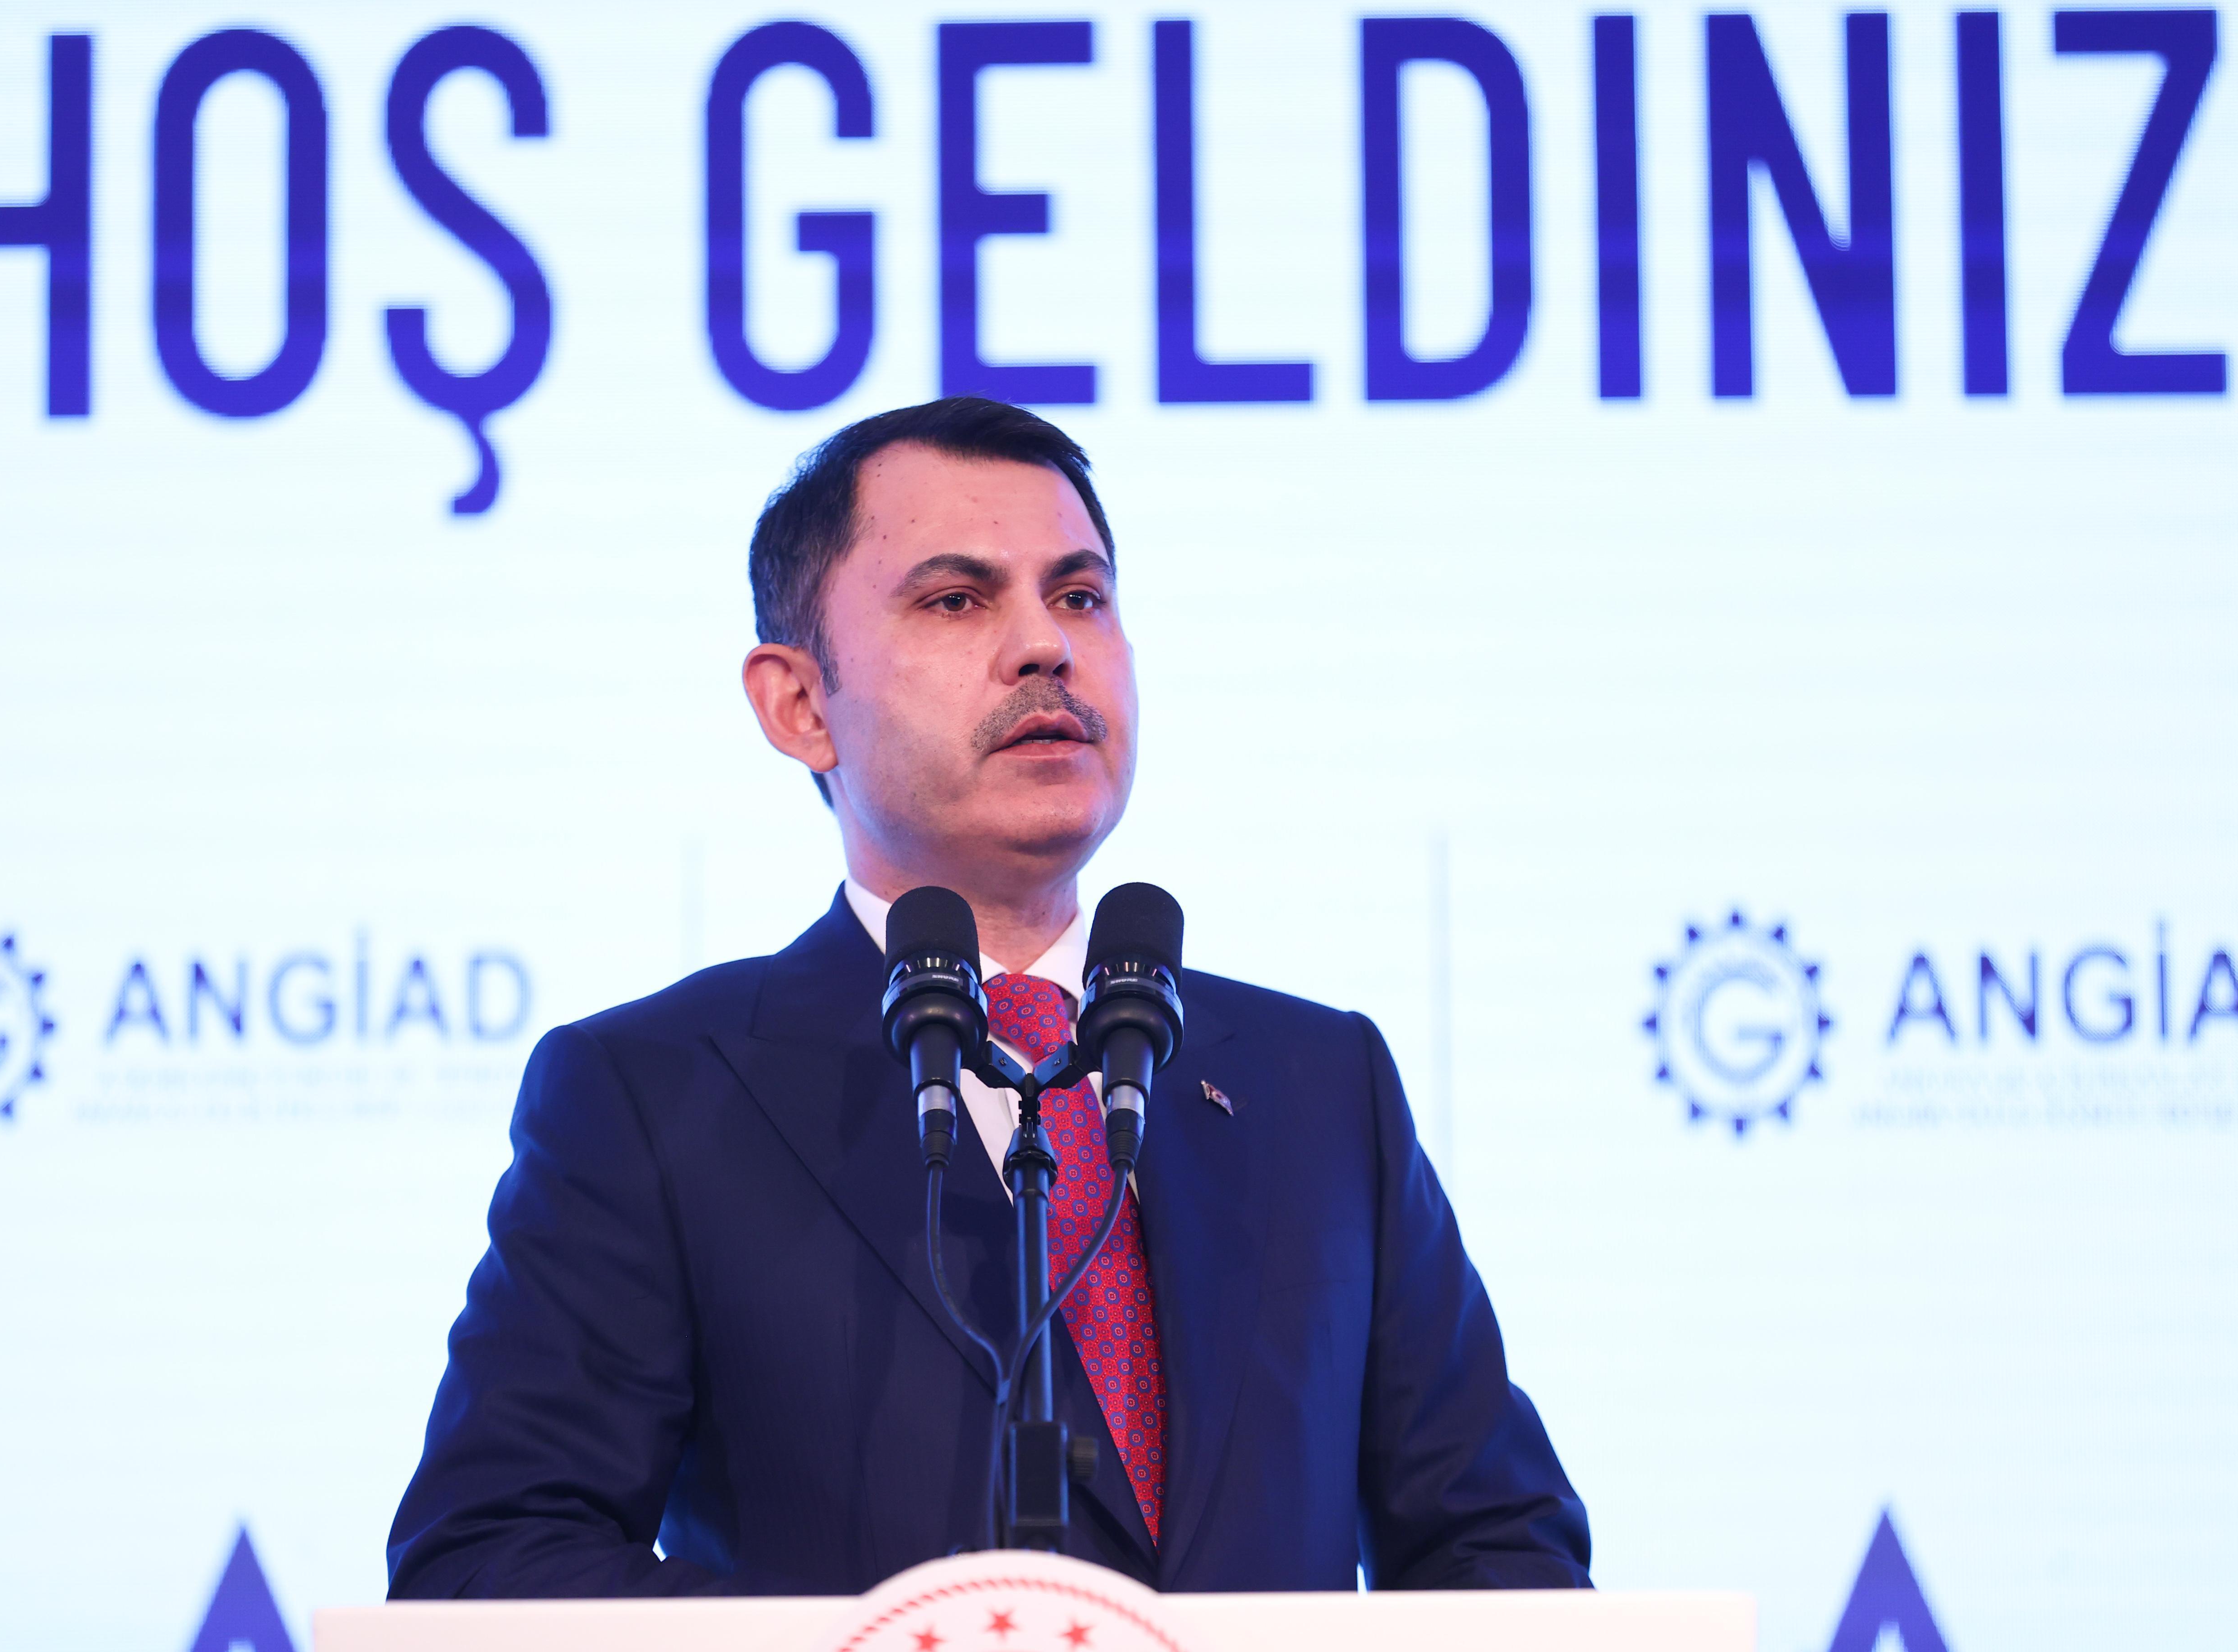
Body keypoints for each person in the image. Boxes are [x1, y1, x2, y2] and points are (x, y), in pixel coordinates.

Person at [386, 397, 1589, 1595]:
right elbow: (486, 1565)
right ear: (800, 704)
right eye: (957, 600)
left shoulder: (1318, 1085)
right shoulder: (656, 1098)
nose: (1045, 646)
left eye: (1081, 596)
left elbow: (1500, 1551)